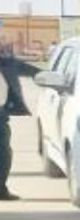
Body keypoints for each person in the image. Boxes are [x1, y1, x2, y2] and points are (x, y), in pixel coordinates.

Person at [0, 46, 40, 200]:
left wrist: (51, 76)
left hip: (0, 114)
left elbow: (32, 71)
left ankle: (1, 190)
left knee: (3, 154)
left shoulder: (6, 63)